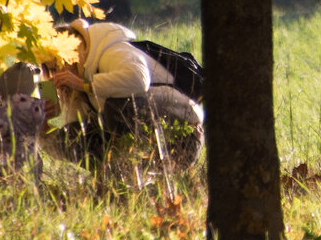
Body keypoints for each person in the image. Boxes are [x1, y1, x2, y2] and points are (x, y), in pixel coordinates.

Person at [44, 19, 203, 171]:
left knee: (118, 106)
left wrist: (84, 84)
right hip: (149, 141)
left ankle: (129, 171)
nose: (56, 75)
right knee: (72, 135)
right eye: (51, 71)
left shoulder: (112, 50)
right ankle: (116, 180)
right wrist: (44, 129)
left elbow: (139, 80)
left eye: (56, 66)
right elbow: (72, 143)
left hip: (183, 137)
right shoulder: (78, 85)